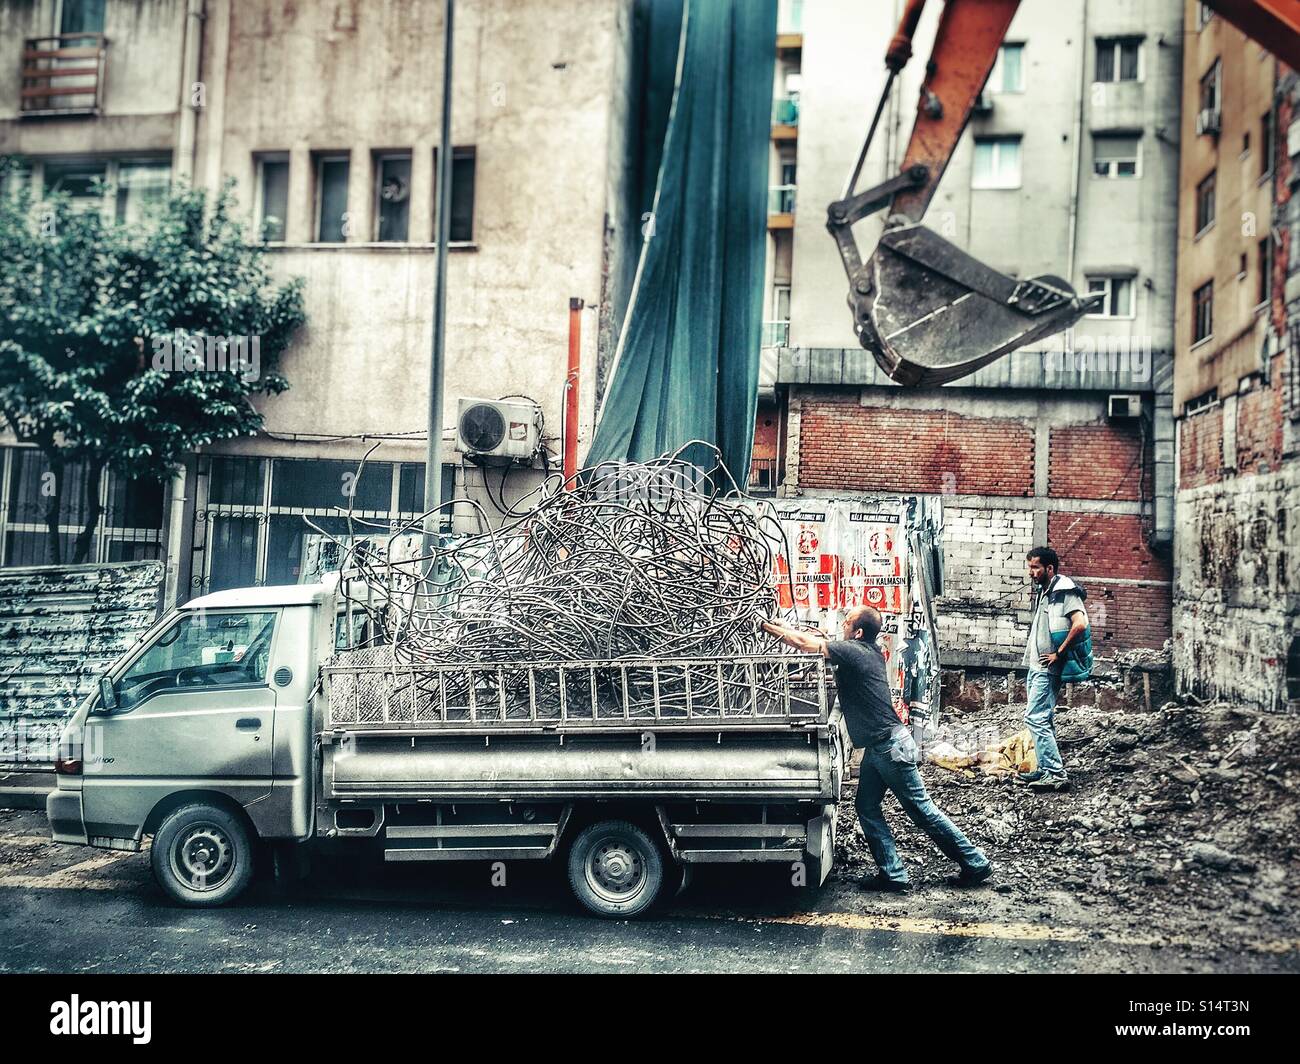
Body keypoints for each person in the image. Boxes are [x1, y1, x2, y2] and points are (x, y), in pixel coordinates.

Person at [761, 605, 991, 892]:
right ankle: (893, 874)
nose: (842, 626)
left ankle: (975, 862)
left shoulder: (854, 651)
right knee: (866, 806)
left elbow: (805, 643)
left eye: (846, 623)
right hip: (880, 747)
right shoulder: (866, 650)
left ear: (857, 632)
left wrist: (770, 629)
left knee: (921, 810)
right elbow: (818, 636)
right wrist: (784, 624)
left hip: (890, 748)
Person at [1018, 545, 1089, 792]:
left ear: (1049, 568)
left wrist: (1058, 653)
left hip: (1047, 667)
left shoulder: (1066, 593)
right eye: (1029, 567)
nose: (1031, 573)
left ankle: (1056, 774)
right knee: (1042, 718)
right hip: (1037, 665)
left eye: (1035, 567)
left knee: (1035, 717)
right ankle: (1045, 768)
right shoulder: (1047, 591)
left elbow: (1079, 624)